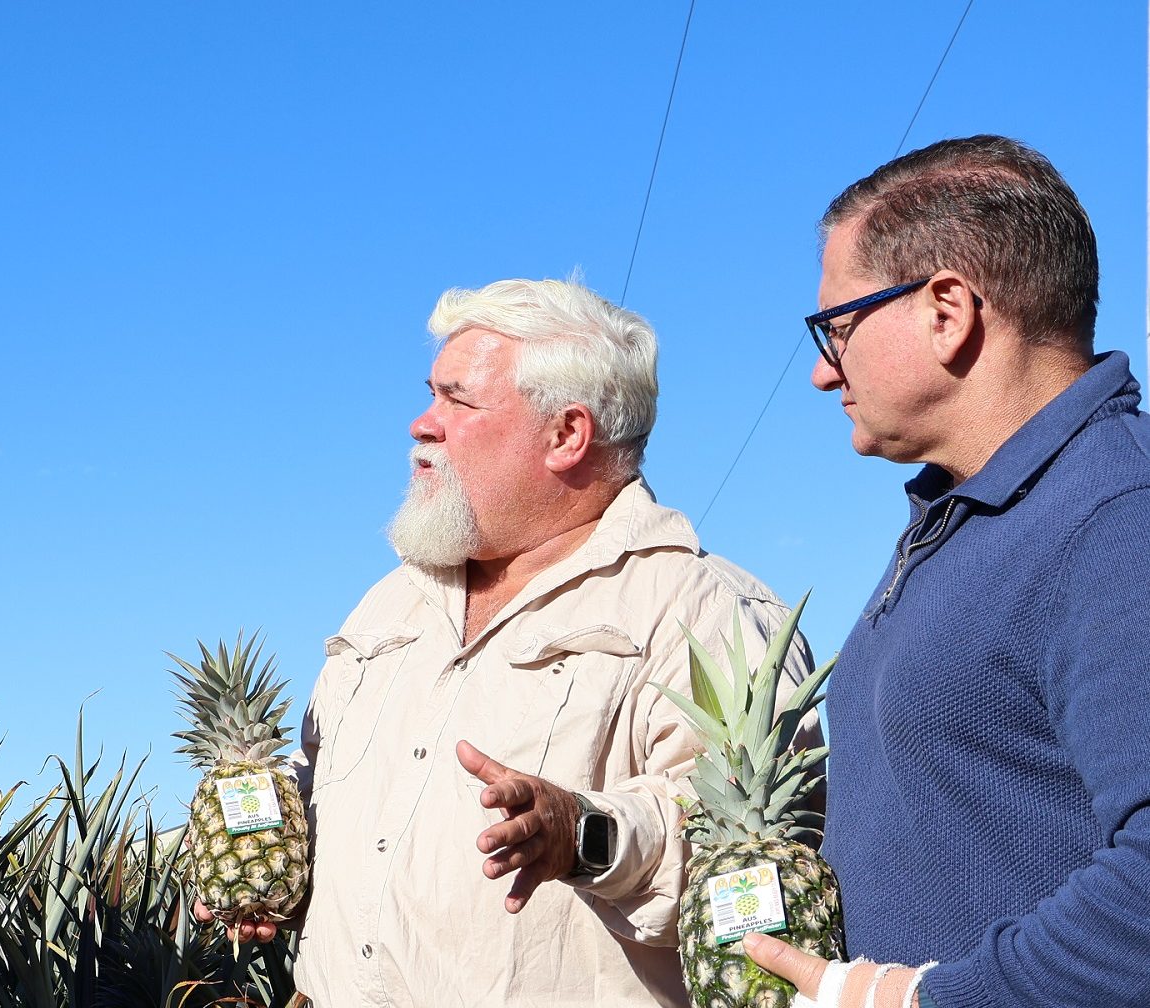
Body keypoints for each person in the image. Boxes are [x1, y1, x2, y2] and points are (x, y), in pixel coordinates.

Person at [204, 278, 813, 1005]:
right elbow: (332, 799)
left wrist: (583, 834)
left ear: (566, 434)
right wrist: (264, 859)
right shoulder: (387, 604)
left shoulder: (706, 610)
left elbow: (756, 861)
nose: (420, 424)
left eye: (456, 400)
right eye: (431, 393)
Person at [740, 137, 1150, 1008]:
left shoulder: (1116, 517)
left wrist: (918, 999)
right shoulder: (956, 522)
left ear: (946, 310)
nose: (822, 372)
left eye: (837, 327)